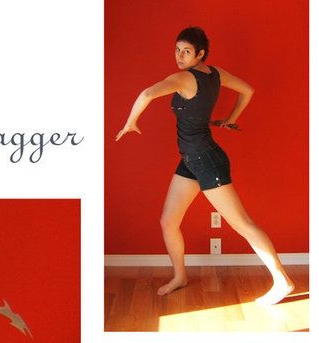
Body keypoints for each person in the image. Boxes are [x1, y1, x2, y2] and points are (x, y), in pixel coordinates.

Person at [115, 26, 294, 305]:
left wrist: (130, 122)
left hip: (206, 161)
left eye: (186, 51)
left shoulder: (183, 78)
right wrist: (230, 118)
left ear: (200, 54)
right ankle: (180, 276)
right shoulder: (216, 74)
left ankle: (282, 280)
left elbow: (148, 94)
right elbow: (247, 90)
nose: (179, 55)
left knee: (243, 224)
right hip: (192, 160)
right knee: (168, 221)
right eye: (177, 49)